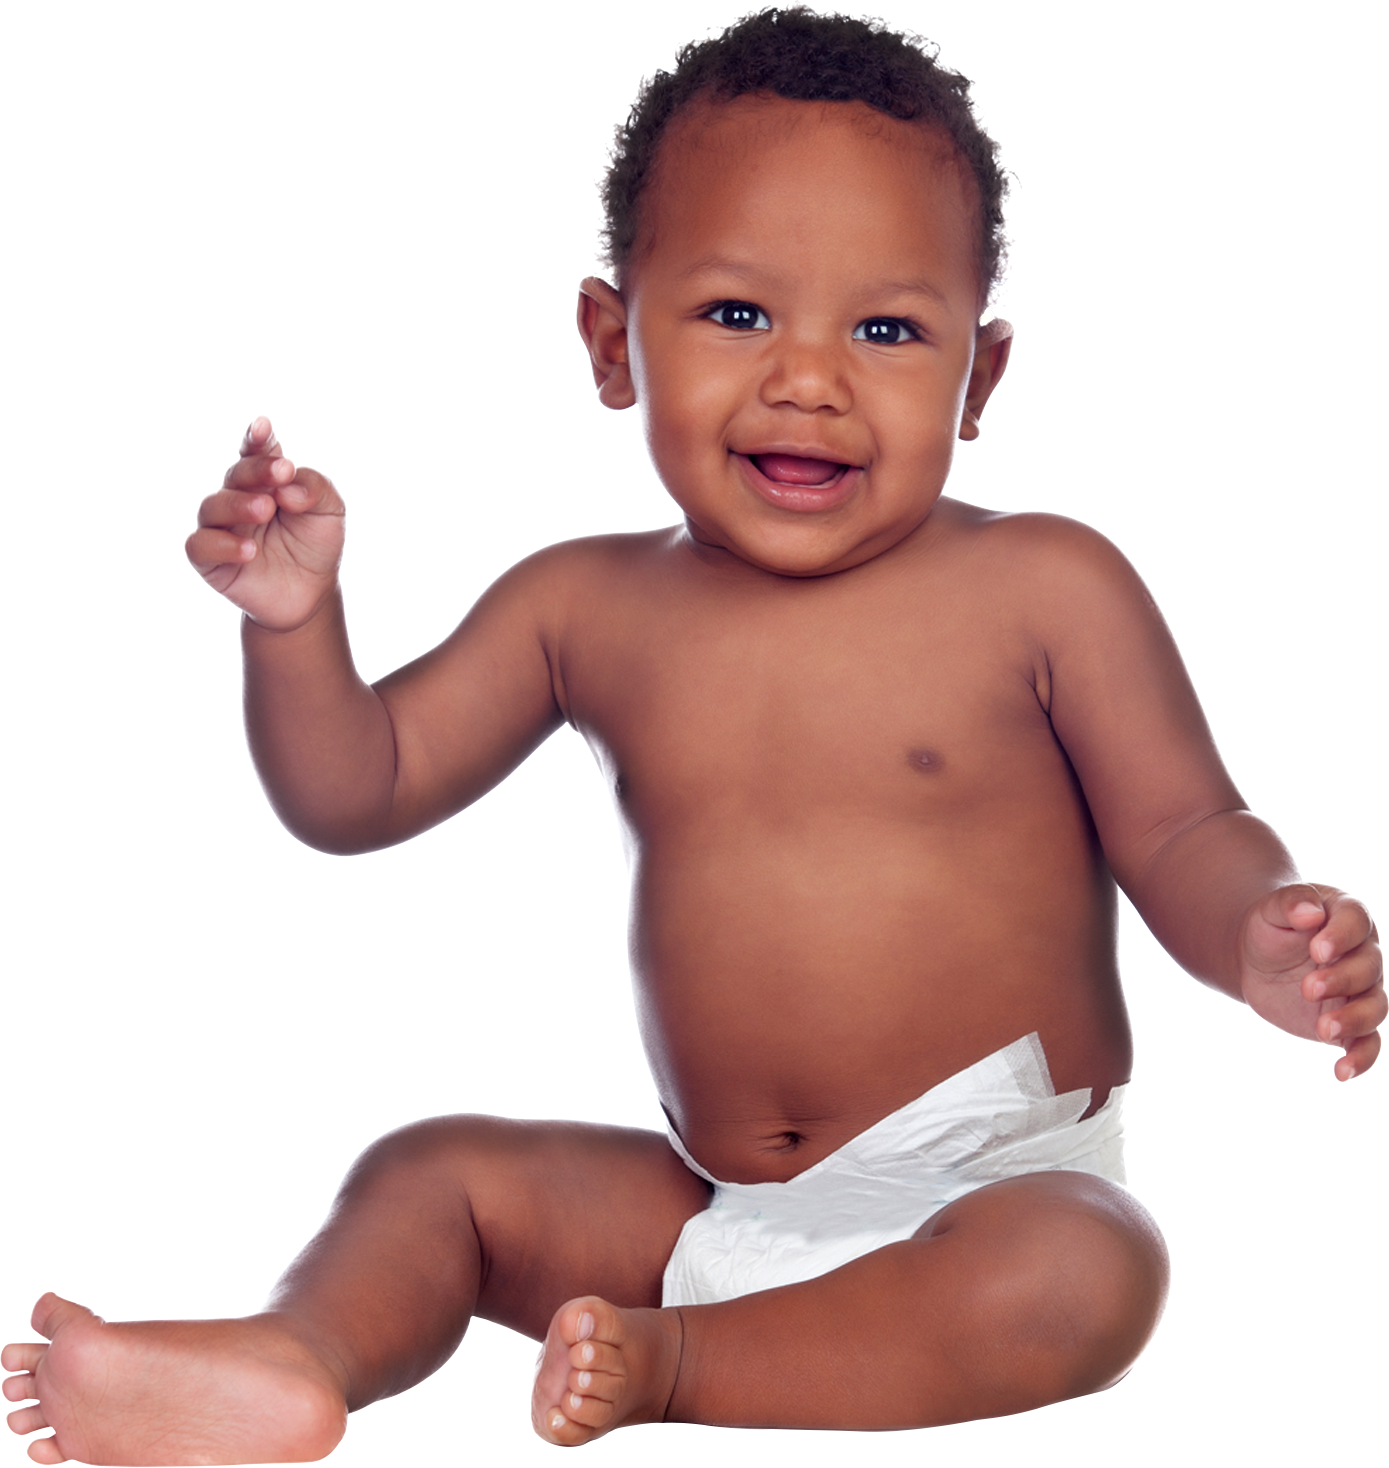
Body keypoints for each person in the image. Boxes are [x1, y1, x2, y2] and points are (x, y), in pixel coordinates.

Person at [4, 5, 1381, 1463]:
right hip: (713, 1203)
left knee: (1093, 1273)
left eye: (887, 329)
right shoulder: (582, 607)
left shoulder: (1045, 586)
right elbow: (362, 788)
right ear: (613, 340)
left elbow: (1179, 830)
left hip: (991, 1182)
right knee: (435, 1175)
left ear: (977, 377)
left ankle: (678, 1368)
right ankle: (300, 1355)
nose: (809, 378)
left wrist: (1258, 939)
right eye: (738, 314)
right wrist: (292, 629)